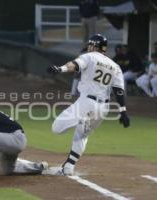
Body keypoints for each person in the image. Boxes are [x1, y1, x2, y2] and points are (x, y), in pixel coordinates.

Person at [47, 34, 130, 175]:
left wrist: (60, 69)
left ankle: (80, 121)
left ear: (96, 46)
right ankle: (69, 167)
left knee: (56, 128)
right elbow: (119, 91)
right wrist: (123, 111)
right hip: (103, 108)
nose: (89, 47)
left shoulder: (89, 56)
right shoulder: (115, 66)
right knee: (82, 136)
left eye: (91, 45)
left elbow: (74, 65)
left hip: (85, 103)